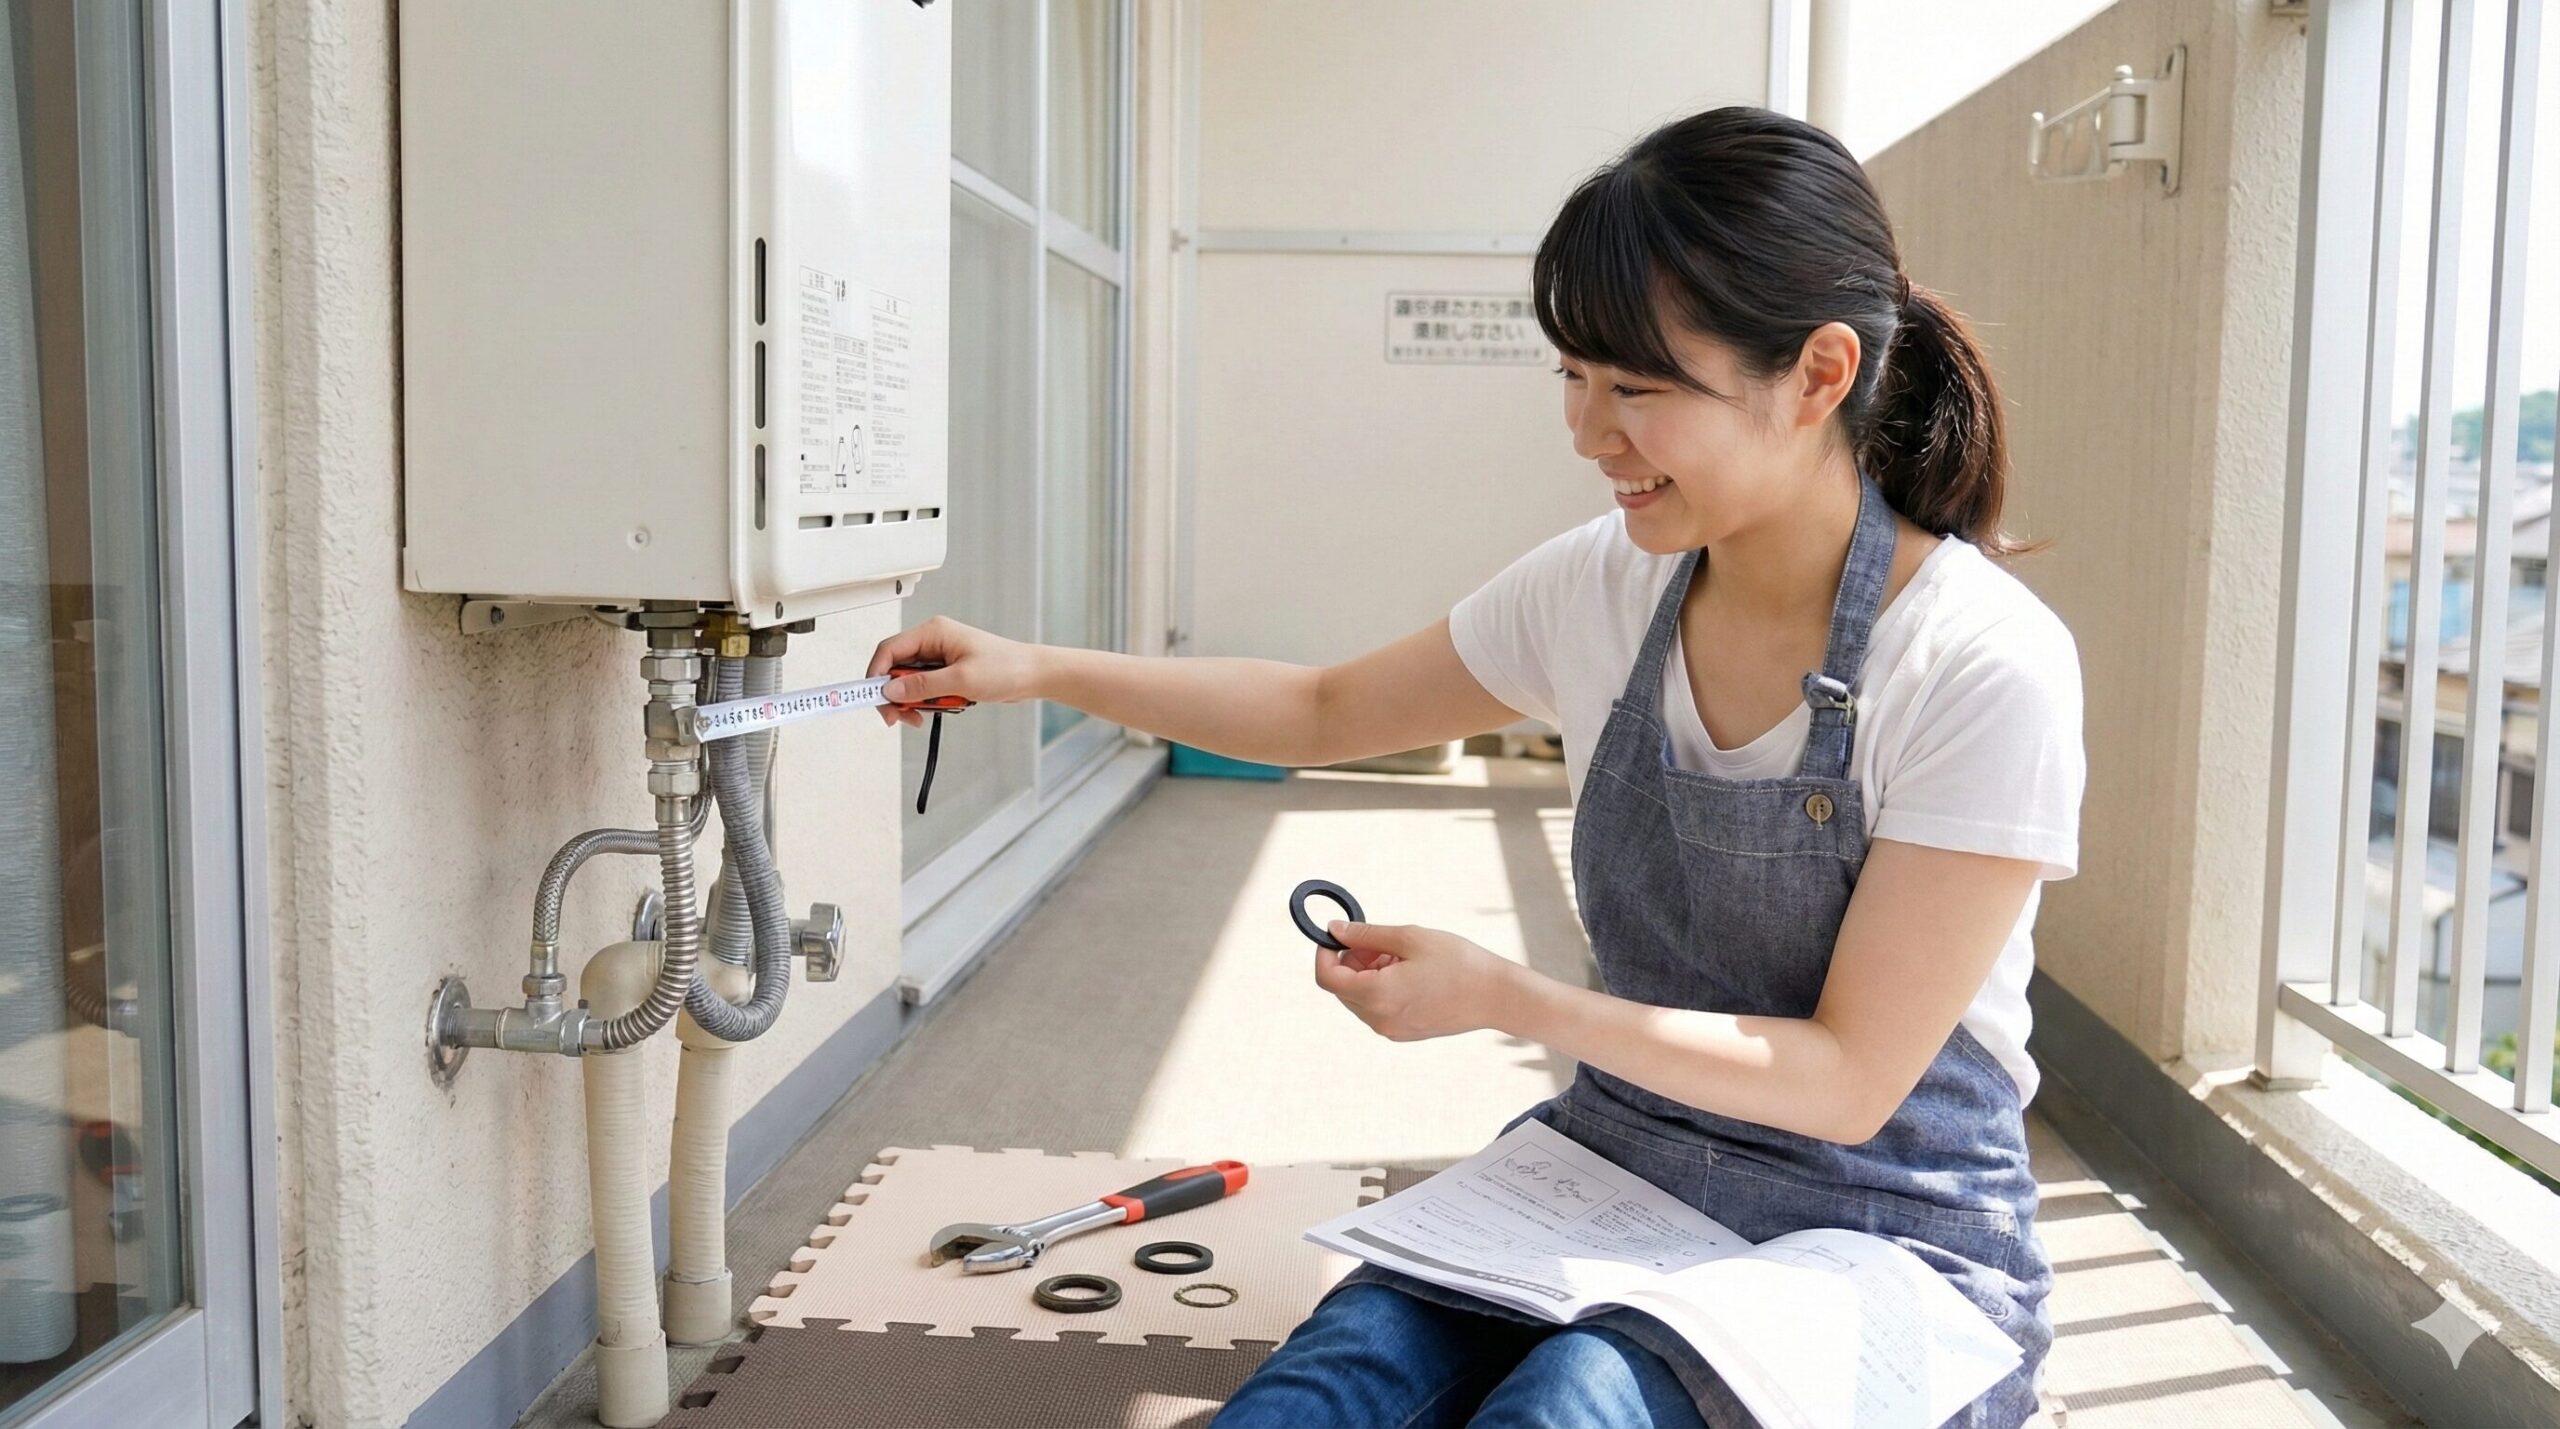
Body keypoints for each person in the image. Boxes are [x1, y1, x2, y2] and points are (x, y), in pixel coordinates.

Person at [867, 105, 2083, 1429]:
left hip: (1888, 1237)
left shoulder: (1979, 661)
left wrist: (1508, 996)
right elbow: (1324, 702)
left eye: (1639, 387)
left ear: (1821, 374)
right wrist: (1036, 669)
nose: (1588, 431)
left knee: (1569, 1401)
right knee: (1320, 1397)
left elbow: (1849, 1081)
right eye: (1573, 375)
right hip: (1624, 1165)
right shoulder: (1604, 588)